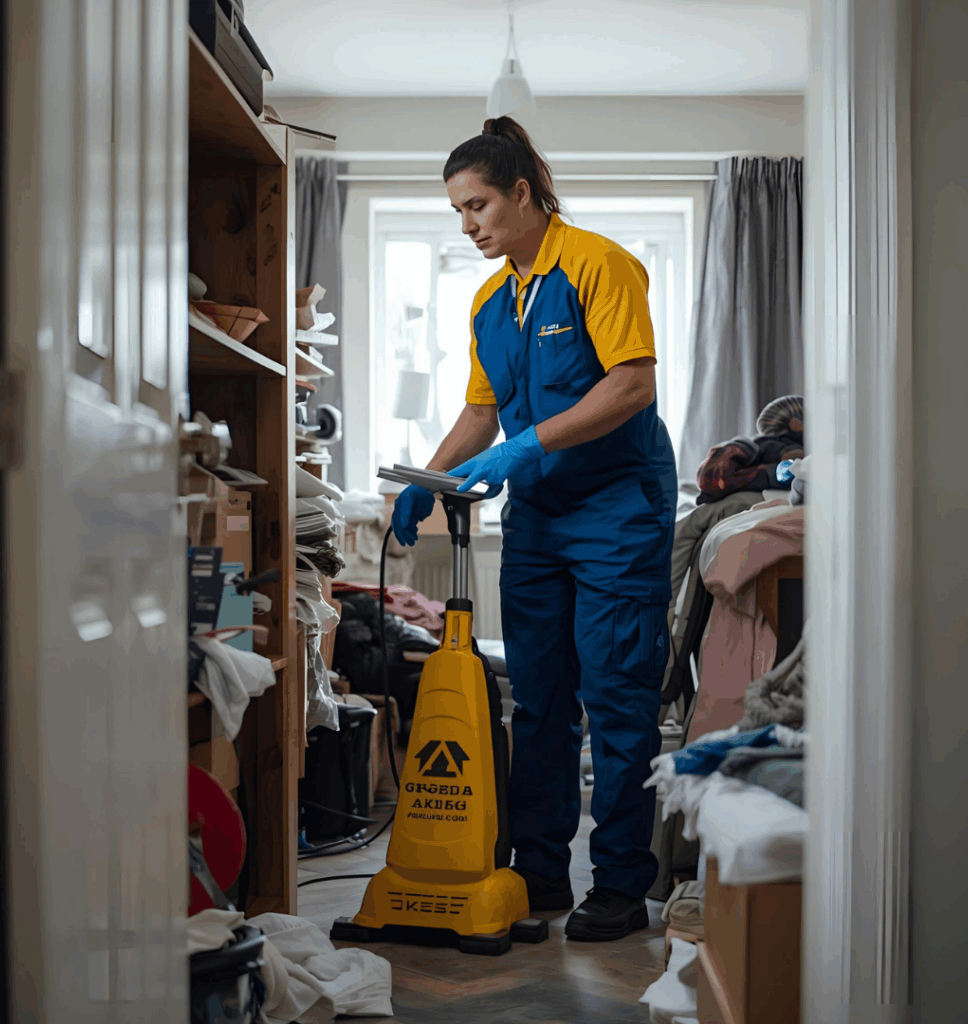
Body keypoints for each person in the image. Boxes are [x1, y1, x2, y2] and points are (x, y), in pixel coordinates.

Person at [390, 116, 676, 942]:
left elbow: (630, 387)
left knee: (616, 699)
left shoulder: (598, 265)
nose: (470, 224)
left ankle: (620, 885)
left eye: (478, 205)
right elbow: (483, 409)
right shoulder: (491, 300)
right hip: (541, 521)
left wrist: (527, 444)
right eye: (458, 213)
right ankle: (542, 871)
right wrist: (430, 478)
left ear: (522, 192)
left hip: (618, 511)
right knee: (540, 702)